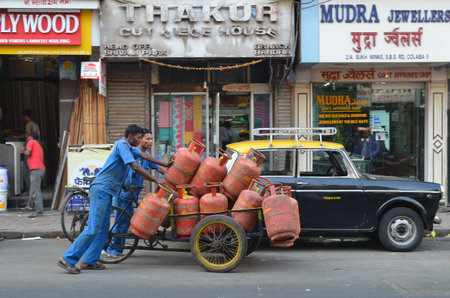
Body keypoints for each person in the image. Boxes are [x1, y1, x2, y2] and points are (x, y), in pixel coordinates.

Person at [57, 124, 173, 274]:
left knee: (102, 230)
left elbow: (144, 155)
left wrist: (165, 164)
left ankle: (89, 261)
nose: (140, 141)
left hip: (108, 192)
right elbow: (135, 166)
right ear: (130, 136)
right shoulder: (121, 145)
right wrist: (156, 180)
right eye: (138, 138)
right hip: (100, 189)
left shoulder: (131, 148)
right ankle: (68, 258)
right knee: (93, 228)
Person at [105, 128, 167, 259]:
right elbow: (135, 167)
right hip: (123, 191)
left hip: (133, 192)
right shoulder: (128, 151)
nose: (150, 141)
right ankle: (113, 250)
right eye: (146, 139)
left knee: (126, 220)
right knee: (122, 220)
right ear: (137, 139)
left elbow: (160, 168)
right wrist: (156, 179)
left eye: (151, 139)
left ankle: (113, 247)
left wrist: (171, 172)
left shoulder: (145, 154)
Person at [12, 110, 40, 195]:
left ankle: (29, 190)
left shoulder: (29, 125)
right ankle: (35, 189)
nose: (24, 118)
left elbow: (28, 135)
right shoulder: (35, 124)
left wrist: (16, 137)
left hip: (30, 149)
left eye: (24, 117)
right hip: (36, 148)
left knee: (26, 170)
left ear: (27, 117)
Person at [20, 132, 45, 218]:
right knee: (33, 189)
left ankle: (39, 211)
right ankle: (29, 205)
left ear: (30, 137)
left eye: (28, 136)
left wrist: (23, 149)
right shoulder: (38, 145)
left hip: (36, 170)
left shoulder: (31, 142)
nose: (27, 138)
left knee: (36, 191)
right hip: (40, 169)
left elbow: (27, 153)